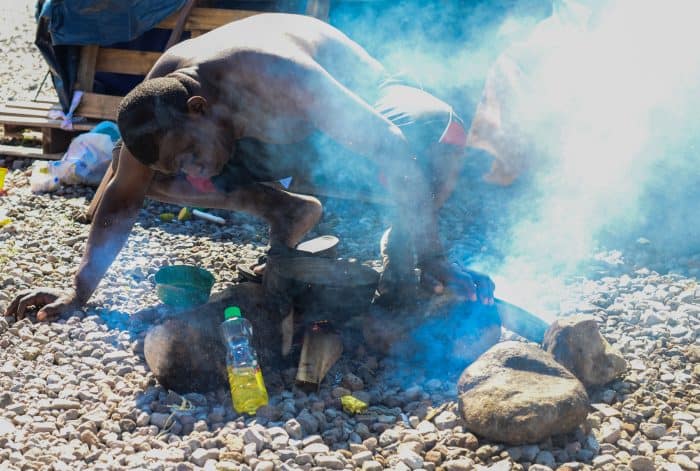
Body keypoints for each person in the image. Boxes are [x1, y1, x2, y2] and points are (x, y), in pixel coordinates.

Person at [6, 13, 494, 322]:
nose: (193, 174)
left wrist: (430, 255)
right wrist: (79, 290)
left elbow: (387, 145)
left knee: (433, 130)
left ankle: (404, 242)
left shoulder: (277, 74)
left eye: (191, 155)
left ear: (199, 107)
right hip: (286, 139)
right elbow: (124, 194)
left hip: (362, 108)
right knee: (137, 173)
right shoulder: (158, 105)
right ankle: (286, 211)